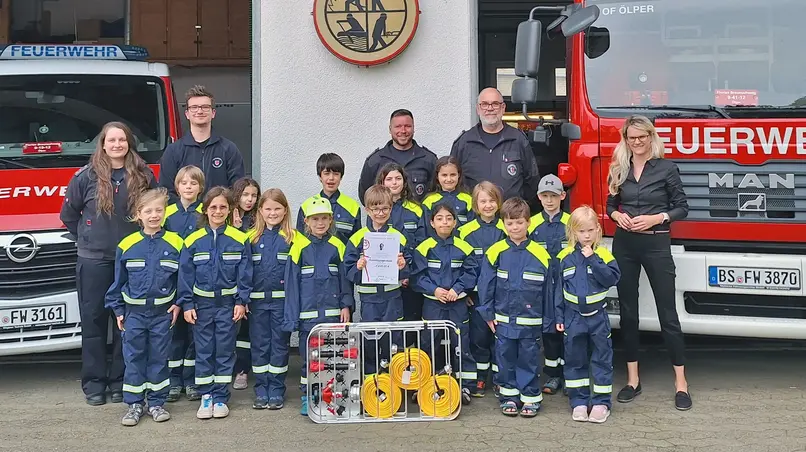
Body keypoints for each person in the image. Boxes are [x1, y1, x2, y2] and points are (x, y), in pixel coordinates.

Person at [60, 121, 157, 406]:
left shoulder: (143, 175)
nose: (117, 145)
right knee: (94, 323)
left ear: (129, 143)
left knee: (125, 324)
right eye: (111, 140)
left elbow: (154, 210)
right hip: (93, 261)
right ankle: (94, 384)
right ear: (102, 144)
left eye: (122, 140)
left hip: (131, 261)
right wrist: (89, 237)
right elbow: (69, 215)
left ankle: (120, 381)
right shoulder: (85, 177)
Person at [606, 115, 691, 411]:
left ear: (651, 137)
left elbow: (682, 207)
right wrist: (618, 216)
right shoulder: (619, 167)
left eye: (642, 137)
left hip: (656, 243)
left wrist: (658, 217)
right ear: (626, 139)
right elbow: (610, 205)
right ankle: (632, 380)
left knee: (668, 313)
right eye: (632, 137)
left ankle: (681, 384)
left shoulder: (666, 168)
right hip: (625, 244)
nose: (637, 142)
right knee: (628, 313)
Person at [104, 187, 183, 426]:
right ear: (138, 214)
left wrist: (179, 304)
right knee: (134, 358)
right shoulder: (127, 245)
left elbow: (184, 280)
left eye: (159, 210)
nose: (154, 215)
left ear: (165, 212)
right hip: (134, 315)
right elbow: (118, 282)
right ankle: (134, 404)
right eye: (148, 211)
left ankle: (157, 403)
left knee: (160, 357)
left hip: (162, 315)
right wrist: (118, 310)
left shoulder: (176, 243)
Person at [178, 186, 253, 420]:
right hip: (201, 307)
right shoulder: (192, 241)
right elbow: (185, 276)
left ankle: (220, 396)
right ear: (205, 209)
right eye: (213, 207)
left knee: (224, 350)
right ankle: (205, 396)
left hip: (228, 306)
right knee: (203, 351)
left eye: (223, 207)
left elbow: (246, 274)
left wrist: (242, 302)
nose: (218, 211)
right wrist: (187, 304)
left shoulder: (240, 239)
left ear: (230, 210)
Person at [476, 197, 551, 418]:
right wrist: (488, 314)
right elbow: (485, 285)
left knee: (529, 359)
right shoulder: (496, 251)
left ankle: (530, 397)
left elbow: (548, 290)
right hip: (503, 319)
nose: (515, 227)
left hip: (531, 321)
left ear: (528, 222)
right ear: (503, 224)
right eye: (510, 223)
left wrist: (547, 318)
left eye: (519, 222)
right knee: (505, 358)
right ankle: (508, 396)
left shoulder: (540, 254)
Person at [283, 197, 353, 416]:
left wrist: (346, 306)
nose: (320, 223)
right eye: (315, 219)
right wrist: (292, 319)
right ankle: (308, 397)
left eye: (324, 218)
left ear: (331, 219)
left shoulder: (338, 246)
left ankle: (332, 398)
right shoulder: (299, 247)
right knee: (310, 362)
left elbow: (345, 281)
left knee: (333, 358)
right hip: (308, 319)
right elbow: (292, 286)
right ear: (306, 221)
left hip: (333, 316)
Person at [555, 206, 621, 424]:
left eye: (590, 230)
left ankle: (601, 403)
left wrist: (593, 259)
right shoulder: (564, 257)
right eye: (581, 231)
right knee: (575, 359)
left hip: (598, 317)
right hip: (573, 317)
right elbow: (557, 290)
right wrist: (558, 317)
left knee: (602, 358)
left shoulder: (603, 253)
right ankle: (579, 401)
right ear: (573, 232)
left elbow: (611, 279)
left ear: (598, 230)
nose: (586, 236)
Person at [412, 203, 478, 405]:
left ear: (455, 222)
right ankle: (423, 385)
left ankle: (466, 386)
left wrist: (456, 290)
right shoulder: (423, 248)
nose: (445, 222)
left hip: (457, 305)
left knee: (461, 344)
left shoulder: (464, 247)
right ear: (432, 222)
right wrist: (435, 290)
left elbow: (471, 273)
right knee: (428, 345)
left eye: (449, 218)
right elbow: (417, 276)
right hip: (433, 305)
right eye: (440, 218)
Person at [344, 185, 409, 374]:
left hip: (392, 298)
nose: (380, 213)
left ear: (391, 209)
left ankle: (393, 385)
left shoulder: (399, 238)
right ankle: (373, 385)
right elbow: (348, 271)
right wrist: (358, 267)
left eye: (385, 208)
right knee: (370, 342)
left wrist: (403, 266)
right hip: (369, 300)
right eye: (375, 209)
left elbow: (410, 269)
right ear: (367, 210)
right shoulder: (357, 238)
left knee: (393, 342)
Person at [457, 181, 506, 397]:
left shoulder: (507, 227)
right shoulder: (464, 232)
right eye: (483, 201)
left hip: (502, 296)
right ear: (475, 204)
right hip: (475, 297)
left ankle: (499, 379)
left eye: (492, 200)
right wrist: (465, 291)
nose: (488, 205)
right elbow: (459, 264)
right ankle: (479, 379)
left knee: (499, 337)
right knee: (478, 338)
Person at [248, 189, 295, 410]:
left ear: (285, 211)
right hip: (257, 305)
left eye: (277, 208)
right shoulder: (251, 239)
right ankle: (261, 389)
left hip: (281, 304)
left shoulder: (294, 239)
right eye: (268, 208)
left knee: (279, 346)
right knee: (259, 346)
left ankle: (276, 389)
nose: (272, 213)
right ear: (260, 211)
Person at [450, 87, 540, 202]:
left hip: (509, 217)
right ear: (478, 109)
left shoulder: (518, 140)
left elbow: (532, 181)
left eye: (495, 104)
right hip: (474, 217)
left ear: (503, 108)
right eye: (485, 104)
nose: (490, 108)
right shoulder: (464, 142)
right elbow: (453, 180)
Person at [162, 165, 205, 402]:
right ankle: (173, 381)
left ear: (201, 187)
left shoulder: (205, 213)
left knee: (194, 334)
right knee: (173, 334)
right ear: (176, 187)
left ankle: (191, 381)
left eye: (193, 183)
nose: (188, 187)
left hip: (197, 281)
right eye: (184, 183)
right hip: (171, 281)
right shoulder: (167, 213)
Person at [158, 85, 245, 200]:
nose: (199, 111)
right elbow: (166, 190)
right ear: (187, 114)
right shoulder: (173, 151)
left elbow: (237, 188)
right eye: (194, 107)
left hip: (219, 214)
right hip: (185, 216)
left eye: (205, 107)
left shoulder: (229, 149)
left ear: (213, 113)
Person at [528, 174, 570, 395]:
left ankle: (570, 374)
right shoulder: (531, 223)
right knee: (549, 331)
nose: (550, 200)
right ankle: (553, 375)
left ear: (562, 196)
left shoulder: (572, 223)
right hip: (543, 288)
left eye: (554, 196)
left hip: (568, 287)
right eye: (545, 196)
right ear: (538, 197)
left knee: (569, 330)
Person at [375, 163, 427, 324]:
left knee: (412, 323)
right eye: (389, 179)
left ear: (404, 182)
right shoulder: (379, 210)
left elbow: (422, 245)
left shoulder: (417, 209)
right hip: (387, 282)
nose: (394, 182)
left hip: (412, 279)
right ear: (382, 183)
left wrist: (408, 274)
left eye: (398, 178)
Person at [358, 109, 437, 204]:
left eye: (407, 126)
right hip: (384, 217)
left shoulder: (428, 159)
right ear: (390, 129)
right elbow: (365, 196)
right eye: (398, 126)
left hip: (418, 217)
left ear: (413, 128)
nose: (403, 131)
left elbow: (437, 196)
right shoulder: (375, 160)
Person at [230, 177, 261, 391]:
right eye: (245, 195)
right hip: (226, 283)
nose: (249, 200)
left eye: (253, 196)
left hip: (251, 283)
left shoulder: (257, 220)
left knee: (246, 331)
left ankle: (242, 370)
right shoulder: (226, 216)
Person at [297, 153, 362, 245]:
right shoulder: (307, 206)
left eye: (336, 174)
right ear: (320, 176)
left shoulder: (352, 206)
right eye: (326, 173)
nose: (331, 178)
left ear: (341, 177)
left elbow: (357, 242)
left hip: (344, 259)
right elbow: (300, 241)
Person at [422, 156, 474, 235]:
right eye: (444, 175)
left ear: (459, 175)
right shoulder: (429, 201)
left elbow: (472, 228)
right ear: (437, 176)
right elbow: (426, 230)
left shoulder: (468, 200)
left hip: (462, 245)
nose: (449, 179)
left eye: (453, 175)